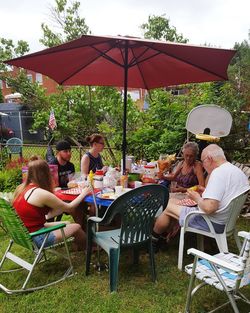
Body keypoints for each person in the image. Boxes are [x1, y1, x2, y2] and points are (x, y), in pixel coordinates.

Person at [153, 144, 249, 239]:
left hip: (210, 222)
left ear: (209, 158)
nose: (203, 165)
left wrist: (197, 198)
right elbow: (224, 194)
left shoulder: (218, 173)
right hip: (225, 220)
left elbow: (209, 208)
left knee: (167, 205)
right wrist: (205, 190)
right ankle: (164, 234)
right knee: (172, 202)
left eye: (203, 162)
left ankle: (154, 238)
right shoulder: (236, 171)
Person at [12, 156, 91, 250]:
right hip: (36, 236)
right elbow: (70, 208)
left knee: (67, 223)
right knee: (77, 227)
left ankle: (78, 245)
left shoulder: (21, 188)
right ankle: (90, 247)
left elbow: (42, 213)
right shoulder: (41, 193)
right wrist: (83, 193)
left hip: (23, 234)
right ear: (46, 174)